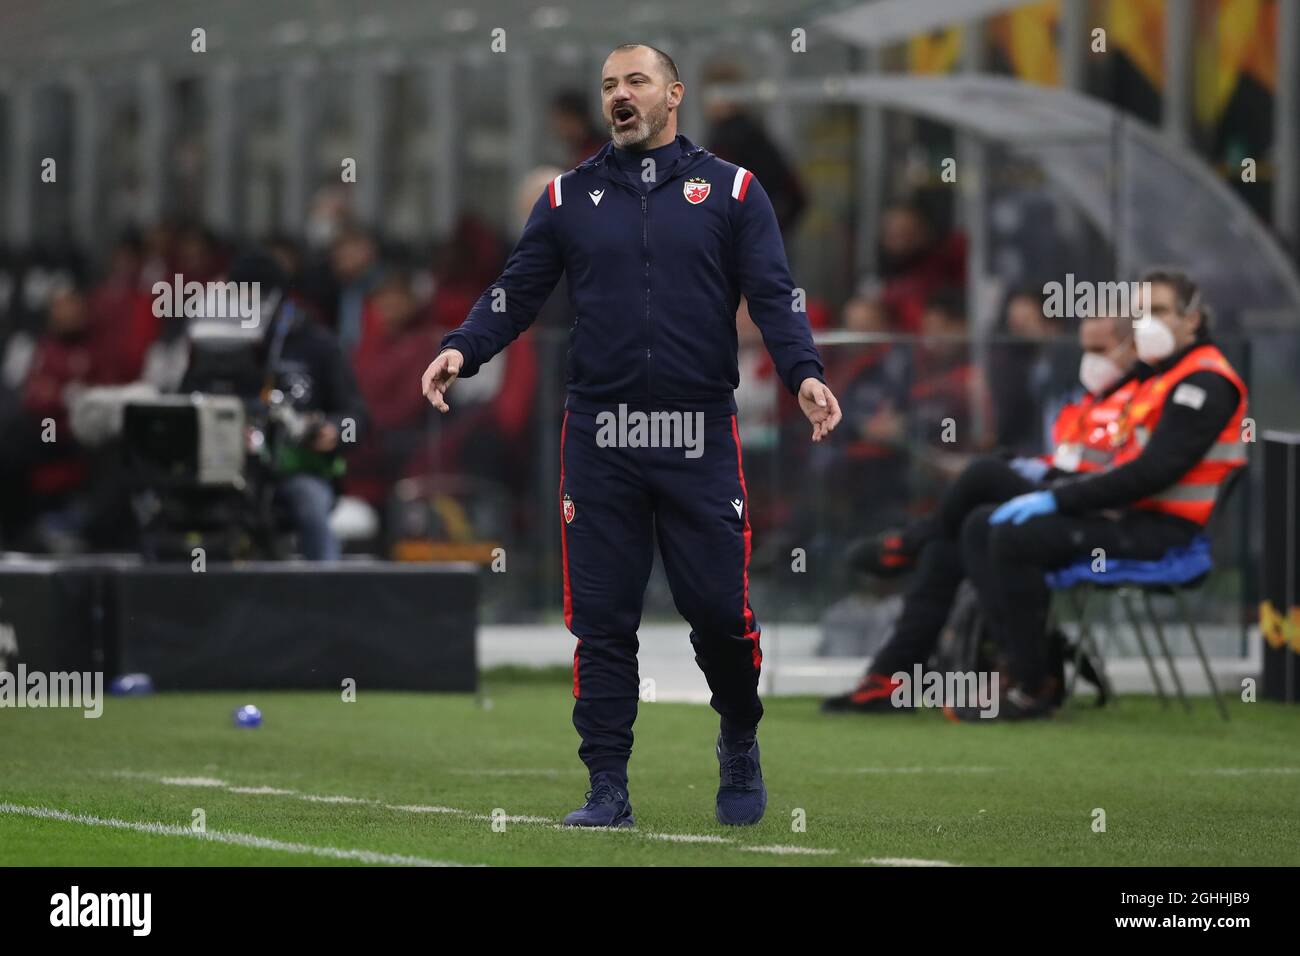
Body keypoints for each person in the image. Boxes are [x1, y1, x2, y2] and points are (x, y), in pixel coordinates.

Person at [421, 43, 841, 828]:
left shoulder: (734, 190)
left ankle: (739, 731)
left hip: (697, 433)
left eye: (635, 81)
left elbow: (776, 297)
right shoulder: (564, 199)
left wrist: (805, 373)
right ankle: (607, 787)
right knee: (603, 619)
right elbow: (516, 292)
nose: (620, 93)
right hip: (600, 434)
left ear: (672, 94)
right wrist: (461, 346)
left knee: (718, 609)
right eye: (610, 84)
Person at [947, 269, 1247, 721]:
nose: (1148, 323)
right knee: (981, 524)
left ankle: (1034, 688)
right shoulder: (1157, 378)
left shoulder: (1203, 383)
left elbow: (1153, 472)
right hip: (1123, 515)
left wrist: (1059, 499)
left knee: (1014, 536)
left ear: (1194, 319)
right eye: (1141, 312)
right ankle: (1019, 664)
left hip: (1165, 533)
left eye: (1161, 311)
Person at [823, 309, 1141, 713]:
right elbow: (1062, 461)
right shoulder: (1082, 402)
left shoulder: (1141, 401)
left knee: (983, 476)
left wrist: (1034, 476)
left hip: (1091, 512)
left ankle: (909, 543)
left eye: (1101, 348)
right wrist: (1023, 466)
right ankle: (891, 676)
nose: (1091, 358)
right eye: (1086, 348)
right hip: (1058, 494)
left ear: (1133, 349)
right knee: (952, 542)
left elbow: (1121, 475)